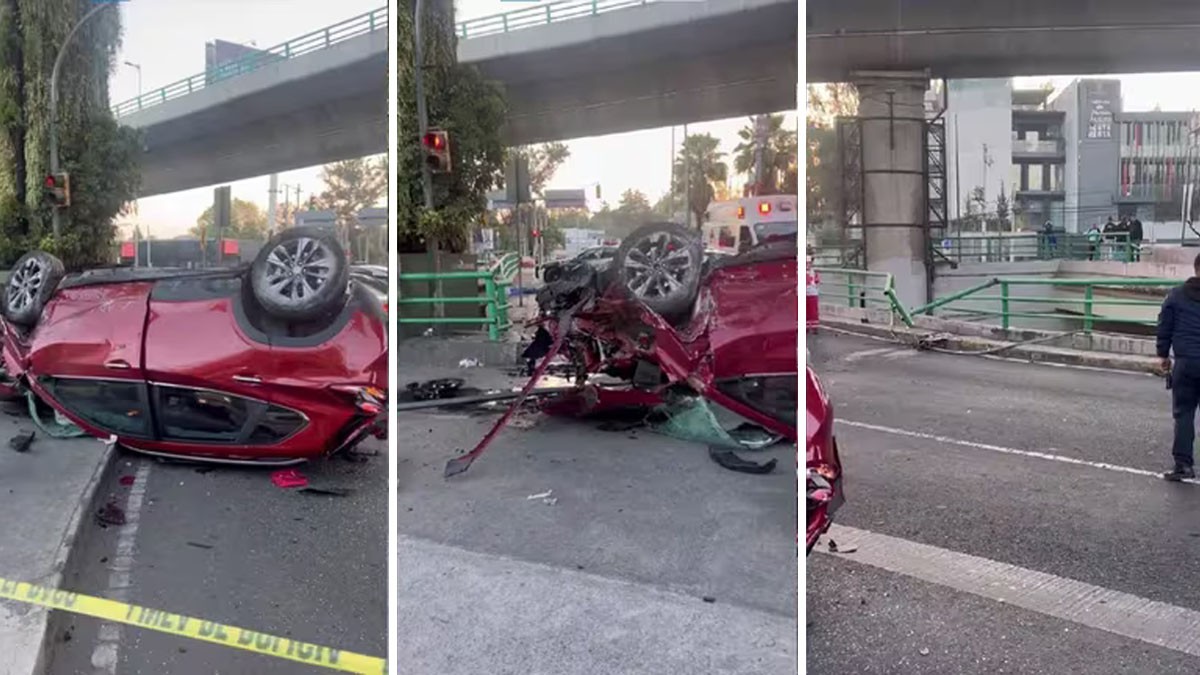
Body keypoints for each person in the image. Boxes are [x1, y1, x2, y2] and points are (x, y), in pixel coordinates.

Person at [1156, 253, 1200, 480]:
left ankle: (1184, 465)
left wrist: (1163, 355)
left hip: (1186, 363)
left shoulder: (1176, 295)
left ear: (1195, 268)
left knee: (1184, 414)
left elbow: (1164, 327)